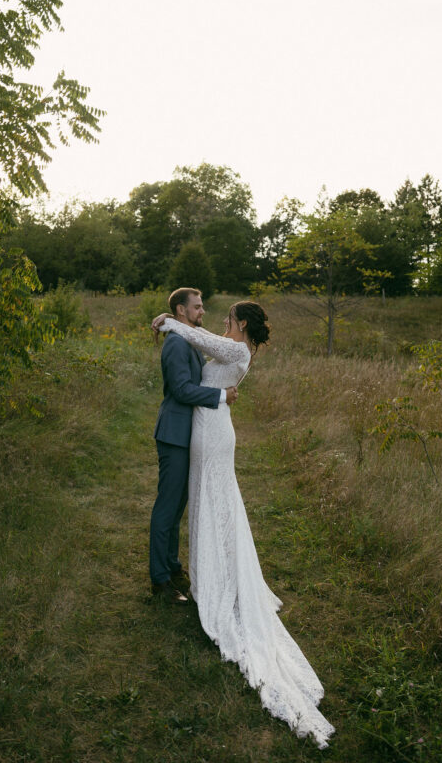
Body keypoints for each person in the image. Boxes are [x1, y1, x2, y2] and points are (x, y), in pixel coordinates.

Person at [151, 300, 335, 748]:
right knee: (207, 504)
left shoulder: (238, 351)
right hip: (208, 427)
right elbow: (198, 347)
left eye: (229, 318)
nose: (220, 321)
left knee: (216, 503)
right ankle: (206, 572)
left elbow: (201, 339)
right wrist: (176, 326)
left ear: (243, 323)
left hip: (213, 432)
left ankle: (219, 582)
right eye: (207, 310)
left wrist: (169, 321)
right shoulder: (230, 348)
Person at [149, 287, 238, 605]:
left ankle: (172, 567)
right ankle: (159, 581)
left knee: (177, 509)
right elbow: (183, 390)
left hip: (189, 435)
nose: (203, 312)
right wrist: (221, 396)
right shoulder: (175, 343)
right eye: (197, 307)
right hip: (174, 434)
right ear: (181, 310)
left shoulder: (187, 336)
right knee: (166, 508)